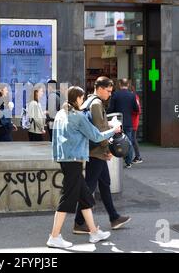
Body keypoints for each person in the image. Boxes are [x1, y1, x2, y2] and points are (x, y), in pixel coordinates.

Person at [47, 86, 122, 248]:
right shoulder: (78, 116)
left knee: (86, 197)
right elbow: (95, 136)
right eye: (82, 98)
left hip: (64, 158)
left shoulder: (61, 113)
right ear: (78, 98)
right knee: (67, 199)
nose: (83, 101)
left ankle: (94, 232)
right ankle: (54, 237)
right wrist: (113, 129)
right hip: (73, 160)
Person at [74, 77, 131, 234]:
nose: (110, 94)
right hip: (97, 152)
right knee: (90, 187)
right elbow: (99, 131)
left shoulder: (88, 102)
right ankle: (79, 222)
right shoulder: (97, 103)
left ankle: (114, 217)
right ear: (99, 88)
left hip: (93, 150)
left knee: (105, 184)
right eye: (108, 91)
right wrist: (108, 150)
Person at [107, 78, 139, 168]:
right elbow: (136, 109)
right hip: (128, 122)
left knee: (116, 141)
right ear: (128, 85)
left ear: (120, 84)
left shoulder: (115, 95)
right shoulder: (132, 95)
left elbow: (111, 109)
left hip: (117, 122)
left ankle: (116, 158)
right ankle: (129, 161)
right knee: (128, 141)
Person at [131, 85, 143, 164]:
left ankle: (138, 156)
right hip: (132, 121)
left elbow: (138, 110)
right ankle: (137, 156)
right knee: (132, 139)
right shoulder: (134, 97)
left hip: (133, 121)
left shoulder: (134, 97)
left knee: (133, 139)